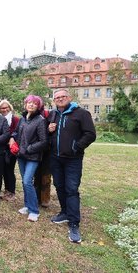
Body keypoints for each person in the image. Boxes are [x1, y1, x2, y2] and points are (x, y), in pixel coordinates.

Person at [48, 89, 96, 243]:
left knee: (71, 189)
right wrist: (49, 131)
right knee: (59, 186)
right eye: (57, 97)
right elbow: (49, 133)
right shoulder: (54, 114)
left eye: (63, 96)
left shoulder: (81, 113)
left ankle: (74, 223)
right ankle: (64, 212)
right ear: (54, 100)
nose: (60, 99)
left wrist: (76, 146)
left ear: (69, 97)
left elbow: (90, 134)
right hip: (56, 157)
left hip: (73, 159)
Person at [13, 95, 48, 222]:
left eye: (34, 103)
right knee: (24, 181)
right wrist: (12, 139)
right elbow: (16, 133)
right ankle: (27, 205)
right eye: (29, 102)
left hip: (32, 157)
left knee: (27, 181)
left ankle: (34, 211)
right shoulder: (22, 119)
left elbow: (44, 141)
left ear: (38, 106)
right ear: (25, 105)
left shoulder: (40, 120)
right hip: (21, 156)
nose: (31, 105)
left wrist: (28, 149)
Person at [0, 100, 20, 202]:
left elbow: (18, 132)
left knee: (9, 171)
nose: (5, 109)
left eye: (6, 107)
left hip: (10, 149)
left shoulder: (15, 119)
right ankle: (6, 191)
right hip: (0, 148)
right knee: (3, 170)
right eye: (2, 108)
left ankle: (11, 192)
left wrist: (11, 137)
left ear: (10, 107)